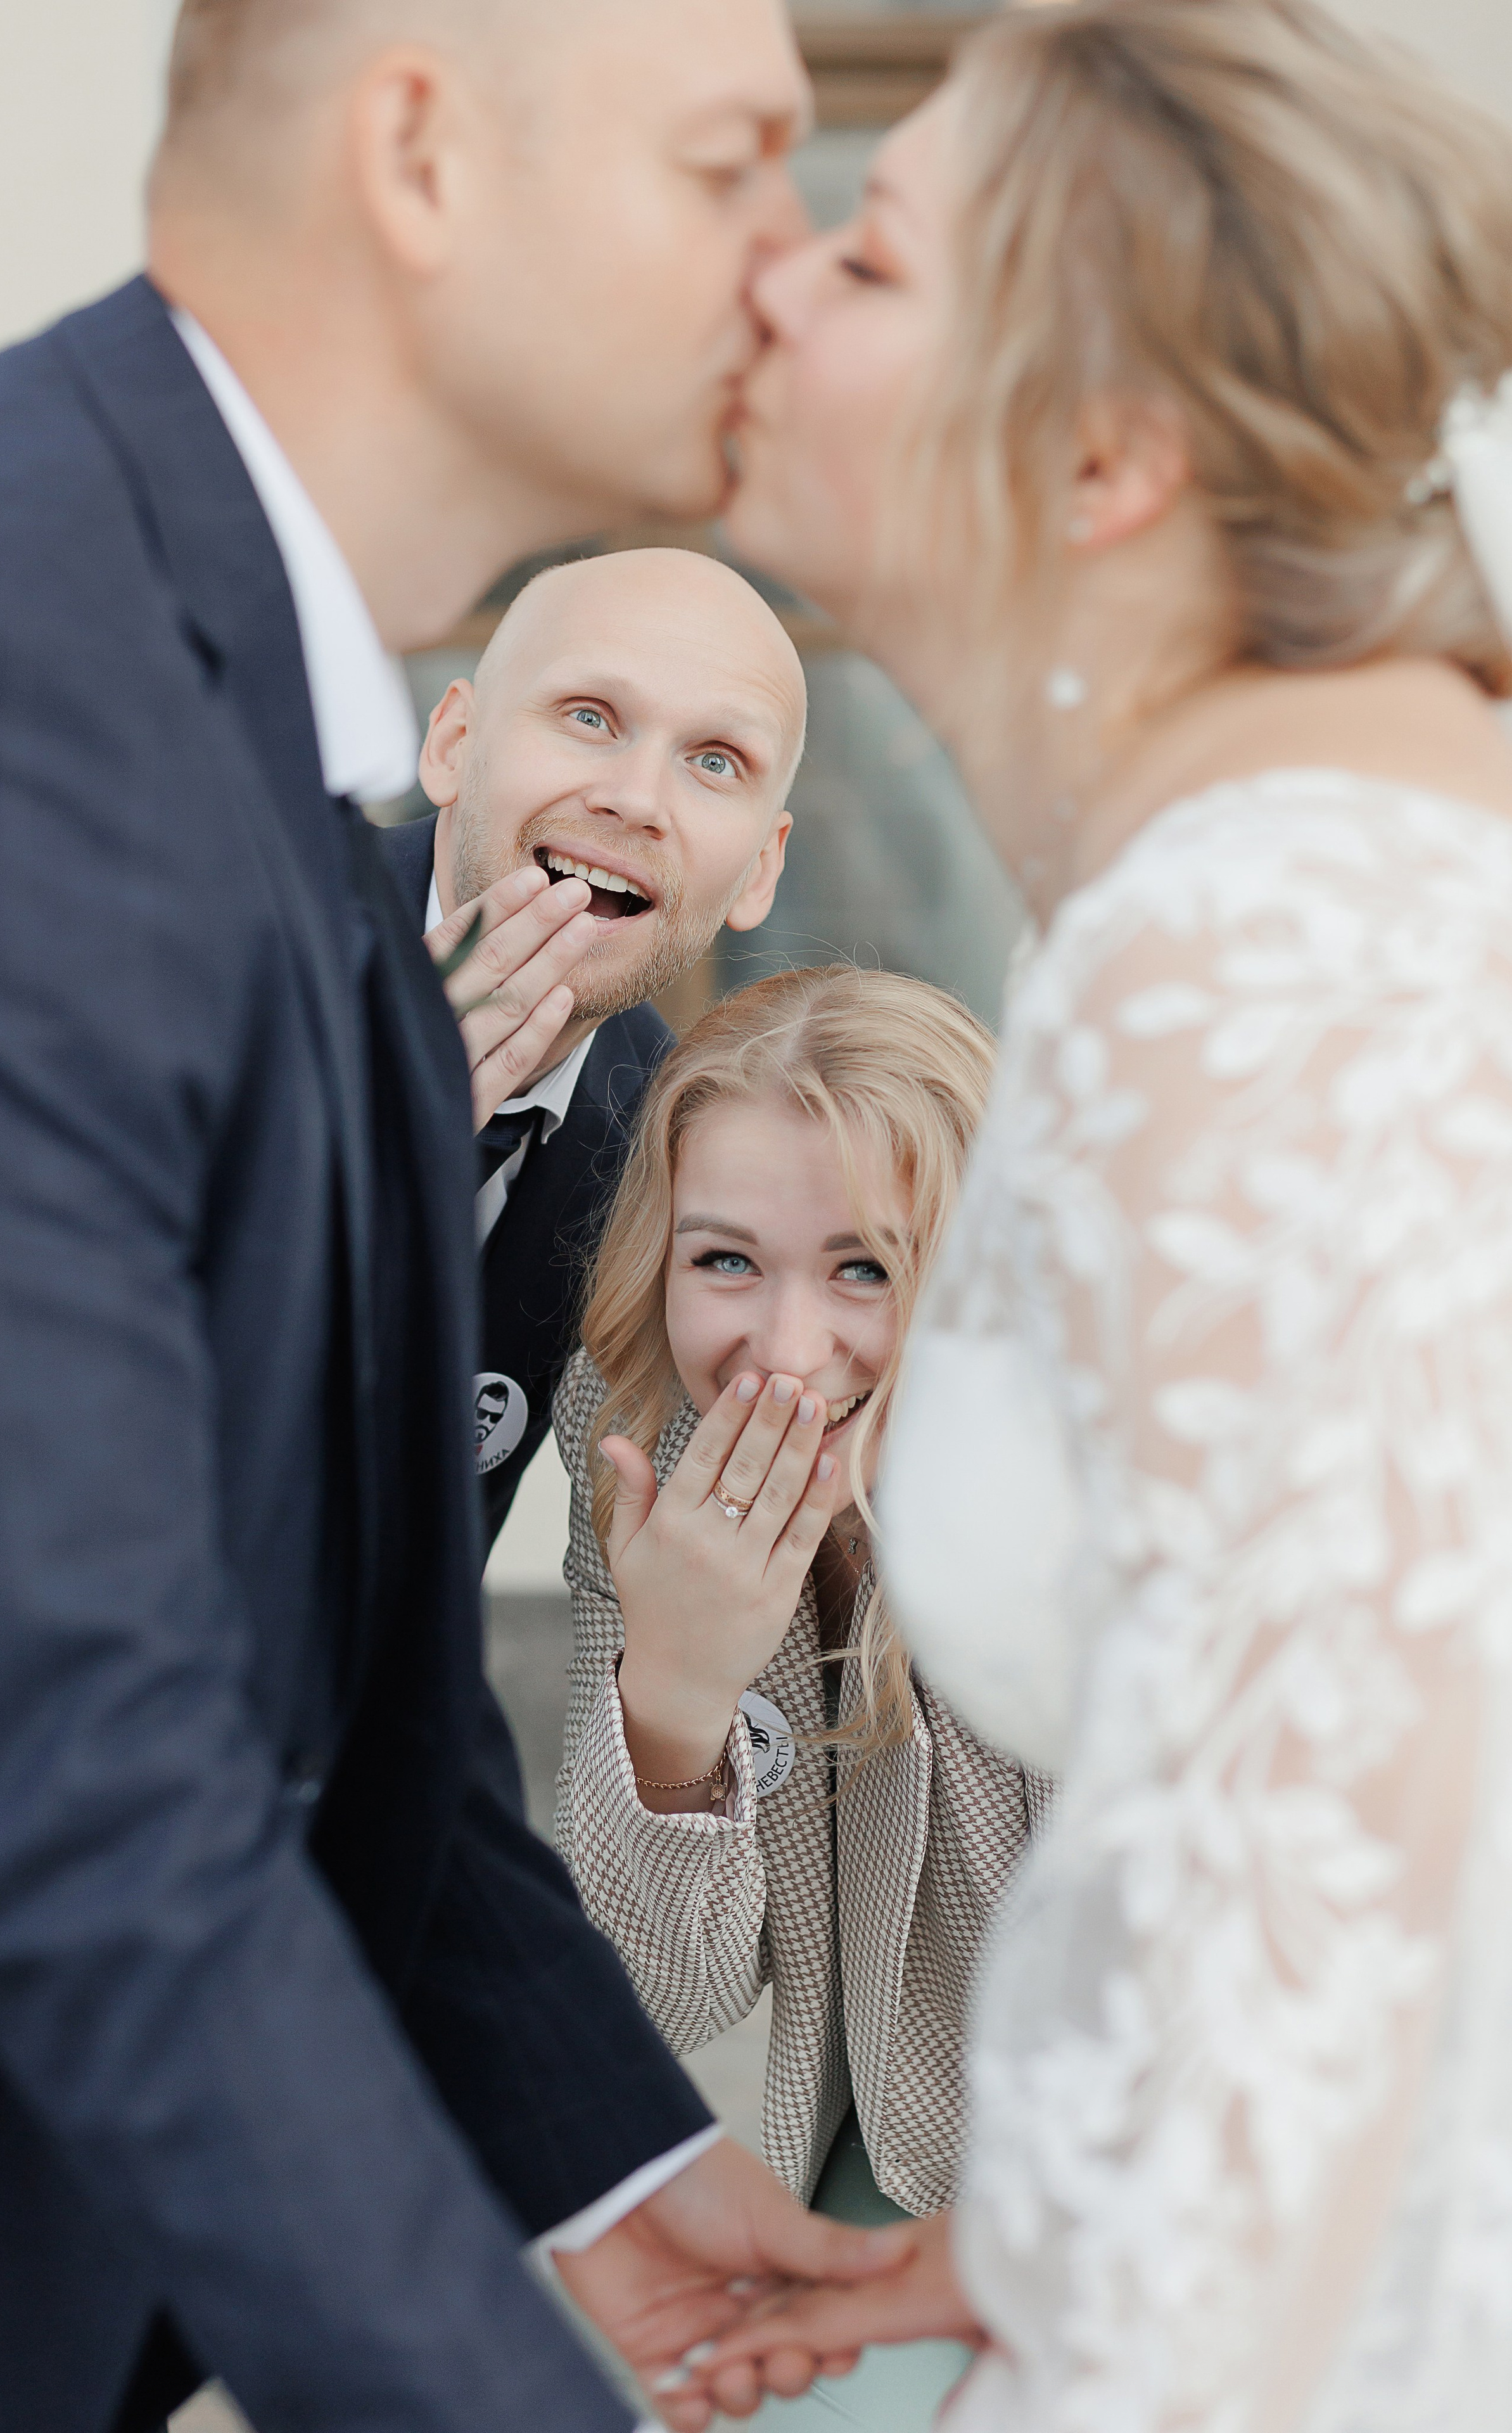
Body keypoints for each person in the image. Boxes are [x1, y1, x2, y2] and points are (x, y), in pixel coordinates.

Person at [0, 4, 915, 2431]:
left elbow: (346, 1669)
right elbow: (71, 1734)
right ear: (426, 156)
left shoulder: (229, 706)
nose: (789, 268)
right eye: (729, 167)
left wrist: (604, 2157)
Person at [673, 0, 1512, 2423]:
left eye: (871, 261)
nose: (776, 278)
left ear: (1108, 453)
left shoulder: (1246, 947)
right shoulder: (1301, 879)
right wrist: (1030, 2232)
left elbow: (1315, 1920)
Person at [552, 966, 1051, 2426]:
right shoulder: (640, 1439)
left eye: (864, 1270)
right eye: (724, 1261)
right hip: (885, 2149)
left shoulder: (1106, 1488)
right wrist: (677, 1692)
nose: (782, 1355)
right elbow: (661, 1997)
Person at [380, 547, 805, 1541]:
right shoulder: (208, 959)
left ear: (760, 870)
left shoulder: (673, 1148)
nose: (637, 799)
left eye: (714, 761)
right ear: (453, 744)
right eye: (588, 718)